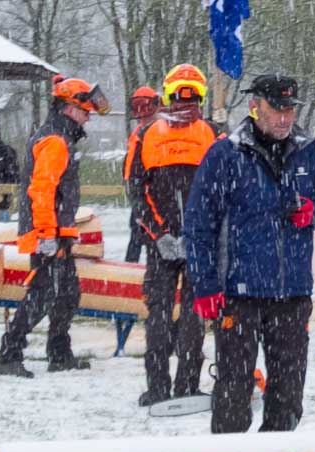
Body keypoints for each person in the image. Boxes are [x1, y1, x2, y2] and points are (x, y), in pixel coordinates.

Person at [183, 73, 315, 433]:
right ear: (254, 106)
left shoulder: (311, 152)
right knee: (233, 393)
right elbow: (198, 225)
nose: (285, 118)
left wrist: (313, 212)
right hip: (238, 294)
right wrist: (204, 284)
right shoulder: (225, 154)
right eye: (277, 109)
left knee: (288, 395)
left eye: (290, 109)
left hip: (292, 294)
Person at [0, 77, 110, 378]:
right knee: (42, 294)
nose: (89, 115)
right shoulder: (55, 141)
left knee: (68, 293)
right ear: (69, 107)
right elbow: (41, 191)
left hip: (58, 231)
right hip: (48, 232)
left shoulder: (62, 138)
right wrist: (46, 235)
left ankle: (59, 352)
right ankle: (10, 353)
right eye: (85, 110)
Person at [131, 64, 220, 407]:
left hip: (198, 242)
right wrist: (160, 234)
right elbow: (137, 190)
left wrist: (200, 233)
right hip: (163, 243)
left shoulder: (212, 134)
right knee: (161, 312)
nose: (186, 105)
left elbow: (221, 189)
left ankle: (185, 384)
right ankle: (159, 386)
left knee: (193, 315)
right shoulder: (146, 136)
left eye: (192, 99)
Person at [123, 86, 162, 262]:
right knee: (137, 235)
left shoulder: (163, 130)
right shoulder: (138, 135)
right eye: (139, 109)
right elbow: (130, 169)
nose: (144, 115)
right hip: (141, 193)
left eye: (147, 108)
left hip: (157, 195)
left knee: (156, 243)